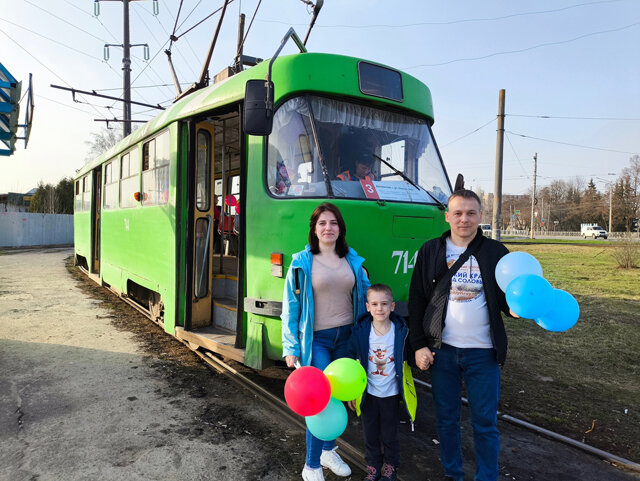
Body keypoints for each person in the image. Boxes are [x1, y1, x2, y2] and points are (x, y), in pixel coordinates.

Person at [408, 189, 514, 481]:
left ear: (480, 216)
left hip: (484, 354)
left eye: (470, 213)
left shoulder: (496, 253)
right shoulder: (430, 250)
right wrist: (418, 345)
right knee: (447, 421)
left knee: (485, 423)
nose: (464, 219)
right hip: (442, 352)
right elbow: (417, 300)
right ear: (447, 216)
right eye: (458, 213)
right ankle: (453, 475)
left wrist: (516, 308)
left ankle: (487, 477)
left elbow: (506, 300)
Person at [281, 202, 371, 481]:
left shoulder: (353, 262)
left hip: (346, 338)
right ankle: (311, 465)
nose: (328, 228)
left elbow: (366, 302)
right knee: (319, 399)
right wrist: (290, 347)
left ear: (340, 229)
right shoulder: (301, 262)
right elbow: (291, 307)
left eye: (333, 223)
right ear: (315, 229)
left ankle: (329, 451)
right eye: (322, 223)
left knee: (339, 397)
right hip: (316, 340)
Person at [347, 284, 417, 481]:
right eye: (375, 304)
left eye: (384, 304)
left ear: (393, 306)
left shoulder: (401, 332)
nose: (380, 308)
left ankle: (391, 466)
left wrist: (422, 360)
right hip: (368, 393)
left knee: (389, 434)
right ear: (368, 307)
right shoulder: (360, 332)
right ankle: (373, 466)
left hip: (391, 394)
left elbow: (409, 357)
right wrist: (353, 392)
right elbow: (350, 362)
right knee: (370, 433)